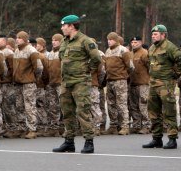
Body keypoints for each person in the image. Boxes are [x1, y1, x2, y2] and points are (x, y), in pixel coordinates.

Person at [53, 15, 102, 153]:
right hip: (66, 82)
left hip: (80, 82)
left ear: (72, 26)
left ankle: (89, 142)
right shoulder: (64, 41)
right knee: (67, 112)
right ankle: (69, 141)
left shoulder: (85, 41)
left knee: (83, 111)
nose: (62, 28)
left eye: (64, 25)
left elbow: (96, 58)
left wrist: (87, 70)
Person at [142, 24, 181, 150]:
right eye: (152, 34)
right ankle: (156, 138)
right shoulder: (151, 48)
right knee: (153, 111)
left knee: (169, 111)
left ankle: (172, 139)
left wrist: (174, 75)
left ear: (163, 35)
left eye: (156, 34)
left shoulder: (170, 47)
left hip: (165, 84)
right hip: (153, 84)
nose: (153, 36)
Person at [104, 32, 134, 135]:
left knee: (121, 104)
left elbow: (130, 66)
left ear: (116, 40)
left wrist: (124, 76)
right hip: (110, 80)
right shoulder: (107, 51)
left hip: (120, 80)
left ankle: (125, 126)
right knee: (111, 104)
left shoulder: (123, 50)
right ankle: (113, 125)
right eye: (108, 39)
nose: (109, 41)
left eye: (111, 39)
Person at [129, 36, 151, 134]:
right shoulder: (130, 54)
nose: (134, 44)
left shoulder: (144, 53)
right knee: (134, 106)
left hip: (143, 83)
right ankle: (136, 125)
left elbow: (150, 67)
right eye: (132, 42)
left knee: (143, 105)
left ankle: (146, 125)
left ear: (141, 43)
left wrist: (149, 79)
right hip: (133, 83)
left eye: (136, 42)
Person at [45, 34, 63, 137]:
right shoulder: (50, 54)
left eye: (56, 40)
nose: (54, 42)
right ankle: (54, 127)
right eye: (52, 40)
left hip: (61, 83)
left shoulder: (63, 52)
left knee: (64, 106)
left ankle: (64, 127)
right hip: (52, 83)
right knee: (53, 106)